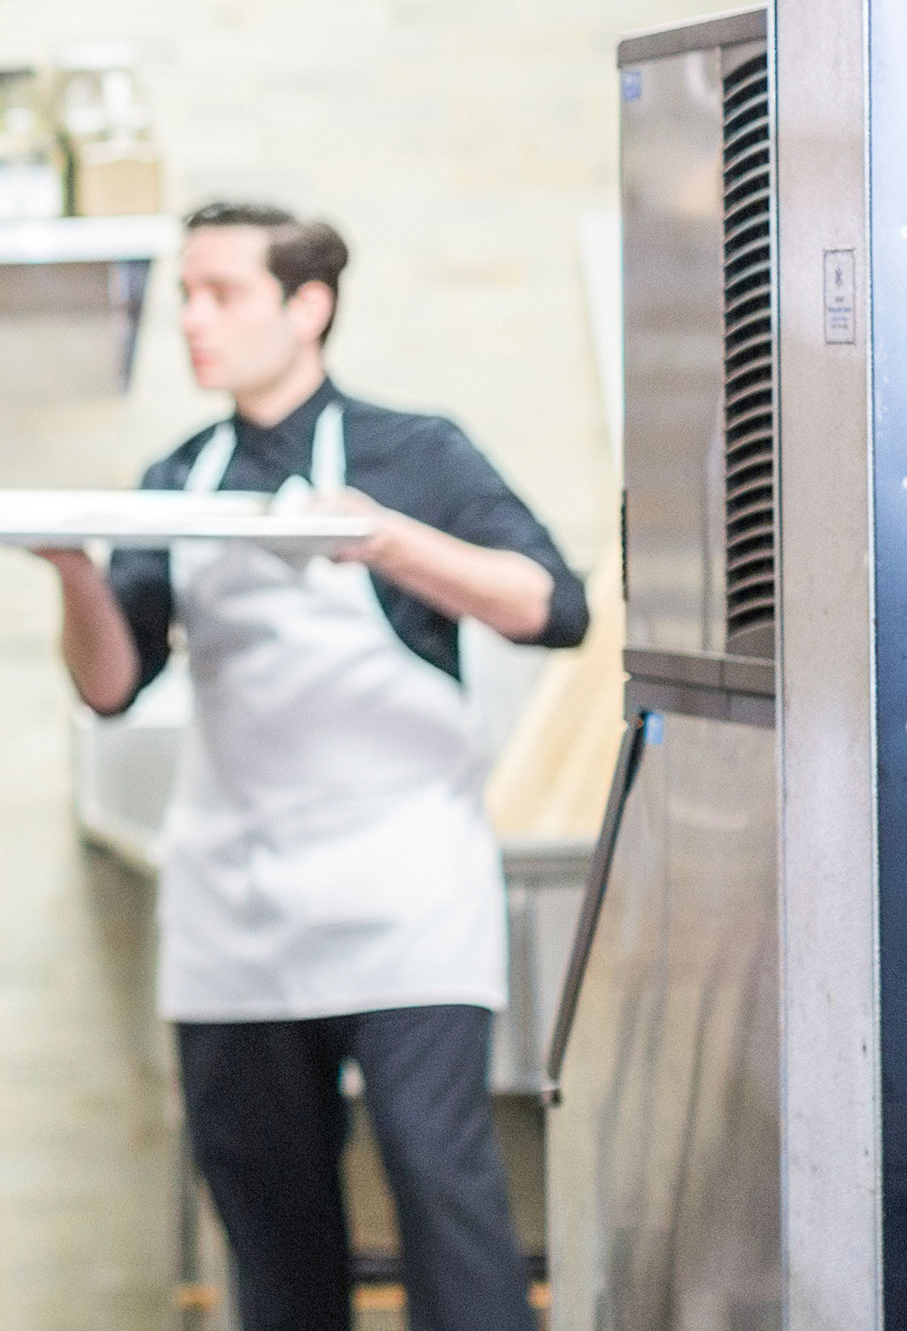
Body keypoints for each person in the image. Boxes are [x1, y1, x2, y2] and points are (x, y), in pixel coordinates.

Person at [42, 202, 584, 1331]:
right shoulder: (174, 476)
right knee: (268, 1225)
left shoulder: (413, 452)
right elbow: (109, 684)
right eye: (183, 293)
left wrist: (387, 539)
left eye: (220, 292)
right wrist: (70, 567)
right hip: (233, 905)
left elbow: (549, 605)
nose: (190, 318)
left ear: (308, 305)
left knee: (440, 1189)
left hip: (402, 899)